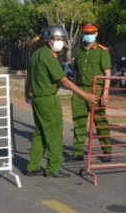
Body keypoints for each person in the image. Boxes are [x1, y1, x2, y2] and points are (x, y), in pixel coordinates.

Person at [24, 25, 97, 177]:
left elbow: (29, 77)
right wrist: (85, 95)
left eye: (63, 39)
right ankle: (53, 169)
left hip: (37, 99)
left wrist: (27, 94)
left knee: (40, 133)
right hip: (48, 100)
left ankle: (33, 166)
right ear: (49, 40)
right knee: (55, 134)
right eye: (59, 39)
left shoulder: (36, 54)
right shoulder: (48, 57)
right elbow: (64, 81)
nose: (61, 42)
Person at [69, 22, 112, 162]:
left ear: (96, 34)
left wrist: (105, 93)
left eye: (91, 33)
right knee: (78, 121)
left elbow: (107, 73)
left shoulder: (102, 51)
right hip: (80, 90)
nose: (88, 36)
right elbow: (75, 71)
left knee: (100, 122)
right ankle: (77, 152)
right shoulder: (79, 51)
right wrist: (75, 88)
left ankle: (106, 151)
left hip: (96, 90)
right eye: (86, 33)